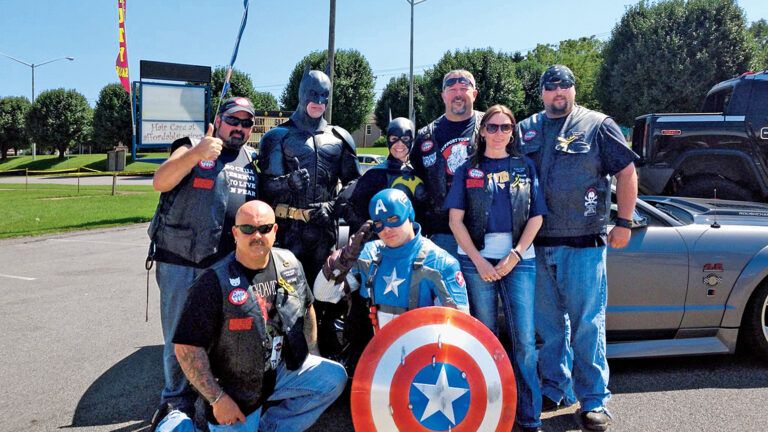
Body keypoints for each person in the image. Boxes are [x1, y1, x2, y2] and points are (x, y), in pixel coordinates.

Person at [518, 65, 638, 431]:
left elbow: (627, 171)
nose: (559, 93)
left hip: (584, 243)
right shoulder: (525, 129)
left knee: (588, 324)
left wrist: (625, 221)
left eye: (565, 86)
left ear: (574, 88)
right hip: (536, 244)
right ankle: (556, 387)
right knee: (549, 327)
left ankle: (594, 401)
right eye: (551, 87)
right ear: (541, 92)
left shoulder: (598, 125)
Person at [156, 200, 347, 432]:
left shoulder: (289, 263)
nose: (257, 235)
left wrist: (313, 354)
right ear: (235, 233)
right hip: (236, 388)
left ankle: (272, 427)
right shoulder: (213, 282)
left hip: (279, 372)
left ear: (275, 231)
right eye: (248, 229)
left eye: (264, 228)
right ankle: (174, 423)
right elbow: (186, 348)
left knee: (333, 377)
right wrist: (218, 400)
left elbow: (307, 309)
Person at [147, 97, 260, 423]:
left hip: (225, 265)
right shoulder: (191, 145)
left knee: (220, 338)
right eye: (232, 120)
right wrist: (197, 154)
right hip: (181, 261)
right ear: (218, 119)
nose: (238, 127)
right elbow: (160, 181)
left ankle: (211, 399)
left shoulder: (251, 160)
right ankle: (175, 404)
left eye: (246, 123)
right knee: (180, 337)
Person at [445, 104, 547, 432]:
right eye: (492, 127)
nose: (499, 133)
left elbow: (537, 216)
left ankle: (529, 418)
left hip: (519, 261)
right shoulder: (468, 169)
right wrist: (478, 260)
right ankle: (491, 413)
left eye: (505, 127)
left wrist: (515, 255)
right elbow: (455, 221)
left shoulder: (525, 166)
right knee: (485, 340)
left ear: (513, 132)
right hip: (477, 262)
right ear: (482, 131)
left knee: (525, 343)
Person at [258, 67, 361, 358]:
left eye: (324, 96)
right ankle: (287, 357)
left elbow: (354, 183)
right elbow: (264, 188)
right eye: (312, 94)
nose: (318, 101)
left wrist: (334, 205)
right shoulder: (277, 137)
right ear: (301, 94)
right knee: (286, 297)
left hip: (325, 230)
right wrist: (287, 183)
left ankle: (329, 357)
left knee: (328, 295)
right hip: (289, 232)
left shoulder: (339, 137)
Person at [313, 189, 470, 372]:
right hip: (380, 359)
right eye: (379, 224)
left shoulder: (441, 263)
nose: (387, 229)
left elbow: (461, 329)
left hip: (428, 363)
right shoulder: (368, 255)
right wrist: (342, 260)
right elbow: (323, 294)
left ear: (409, 214)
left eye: (394, 219)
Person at [410, 69, 483, 257]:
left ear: (474, 94)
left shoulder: (491, 127)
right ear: (443, 95)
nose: (458, 94)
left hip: (484, 232)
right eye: (452, 89)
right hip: (442, 234)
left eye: (463, 88)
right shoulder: (426, 136)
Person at [340, 116, 428, 233]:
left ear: (412, 140)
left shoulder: (421, 172)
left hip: (414, 240)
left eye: (405, 138)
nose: (399, 144)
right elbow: (344, 202)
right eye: (394, 138)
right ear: (388, 140)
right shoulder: (376, 173)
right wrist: (368, 230)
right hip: (384, 240)